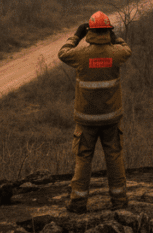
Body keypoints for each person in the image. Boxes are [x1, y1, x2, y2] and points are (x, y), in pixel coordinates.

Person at [58, 11, 132, 213]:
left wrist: (77, 35)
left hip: (86, 120)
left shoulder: (80, 54)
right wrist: (114, 38)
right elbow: (127, 49)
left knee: (83, 159)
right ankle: (119, 200)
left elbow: (63, 53)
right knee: (114, 157)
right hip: (111, 118)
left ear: (89, 31)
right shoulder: (116, 53)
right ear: (108, 31)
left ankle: (78, 202)